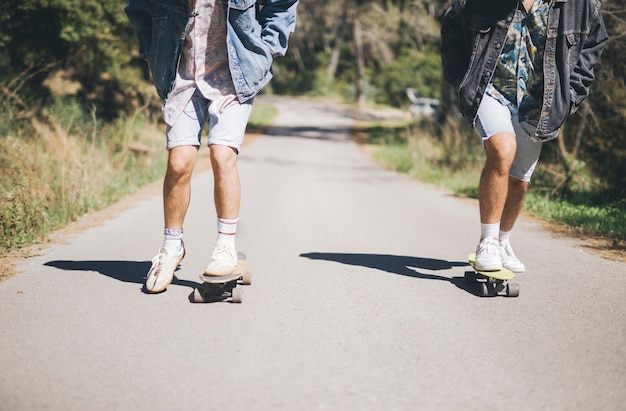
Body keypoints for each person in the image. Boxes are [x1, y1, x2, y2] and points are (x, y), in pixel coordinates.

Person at [125, 0, 299, 292]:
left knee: (222, 155)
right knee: (179, 163)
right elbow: (137, 9)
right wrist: (151, 52)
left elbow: (281, 5)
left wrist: (268, 48)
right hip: (182, 78)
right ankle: (171, 247)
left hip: (234, 75)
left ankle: (225, 246)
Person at [440, 0, 607, 271]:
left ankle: (503, 241)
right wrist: (462, 80)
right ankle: (488, 241)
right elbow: (452, 27)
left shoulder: (581, 5)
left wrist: (571, 97)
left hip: (540, 102)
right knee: (502, 150)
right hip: (490, 91)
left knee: (520, 180)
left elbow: (593, 46)